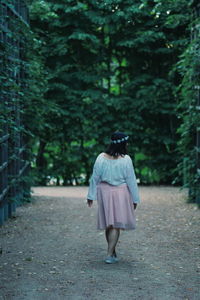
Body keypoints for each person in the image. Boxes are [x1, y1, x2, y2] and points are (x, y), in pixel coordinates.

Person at [87, 131, 140, 264]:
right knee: (114, 224)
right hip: (120, 193)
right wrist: (135, 199)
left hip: (104, 192)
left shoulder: (101, 157)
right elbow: (131, 180)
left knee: (110, 224)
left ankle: (112, 252)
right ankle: (110, 254)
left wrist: (91, 195)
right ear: (122, 144)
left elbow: (95, 178)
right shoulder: (126, 159)